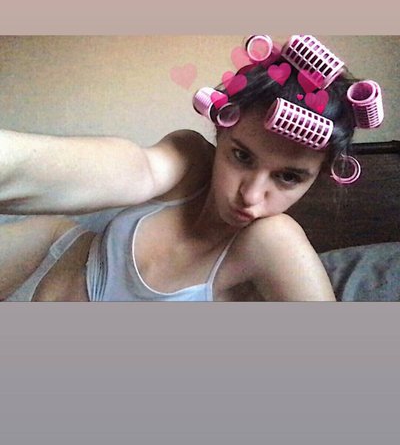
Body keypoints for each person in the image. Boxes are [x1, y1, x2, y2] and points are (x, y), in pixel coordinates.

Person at [0, 35, 383, 302]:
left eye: (287, 177)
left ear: (317, 178)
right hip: (51, 253)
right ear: (221, 132)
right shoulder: (191, 160)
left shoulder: (272, 242)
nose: (250, 196)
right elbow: (136, 168)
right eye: (241, 156)